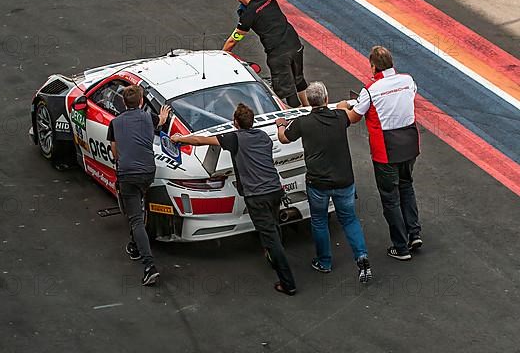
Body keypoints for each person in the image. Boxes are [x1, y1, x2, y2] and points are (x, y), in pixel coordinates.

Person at [171, 103, 297, 296]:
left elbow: (200, 140)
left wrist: (180, 138)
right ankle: (272, 258)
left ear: (235, 122)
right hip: (274, 189)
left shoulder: (234, 138)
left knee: (271, 237)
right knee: (274, 225)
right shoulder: (263, 136)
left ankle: (287, 282)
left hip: (256, 195)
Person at [276, 82, 372, 283]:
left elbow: (284, 139)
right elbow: (348, 113)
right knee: (349, 219)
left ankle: (324, 261)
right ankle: (361, 256)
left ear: (309, 102)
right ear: (327, 99)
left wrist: (281, 125)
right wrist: (344, 104)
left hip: (317, 182)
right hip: (344, 180)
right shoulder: (340, 117)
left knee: (319, 221)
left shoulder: (303, 122)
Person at [337, 46, 422, 261]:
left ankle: (401, 247)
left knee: (390, 199)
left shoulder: (370, 89)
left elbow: (355, 117)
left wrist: (342, 108)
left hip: (386, 151)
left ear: (373, 66)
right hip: (410, 144)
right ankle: (414, 233)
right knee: (407, 187)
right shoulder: (408, 80)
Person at [107, 85, 171, 285]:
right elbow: (160, 122)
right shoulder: (147, 118)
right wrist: (164, 116)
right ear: (142, 102)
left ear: (124, 103)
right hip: (147, 172)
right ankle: (135, 244)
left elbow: (115, 152)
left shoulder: (115, 123)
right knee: (140, 209)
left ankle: (149, 266)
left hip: (127, 174)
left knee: (135, 218)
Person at [222, 0, 309, 108]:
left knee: (288, 90)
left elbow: (234, 39)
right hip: (294, 43)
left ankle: (299, 117)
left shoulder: (247, 16)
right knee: (299, 79)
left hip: (278, 54)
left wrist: (222, 53)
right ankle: (309, 108)